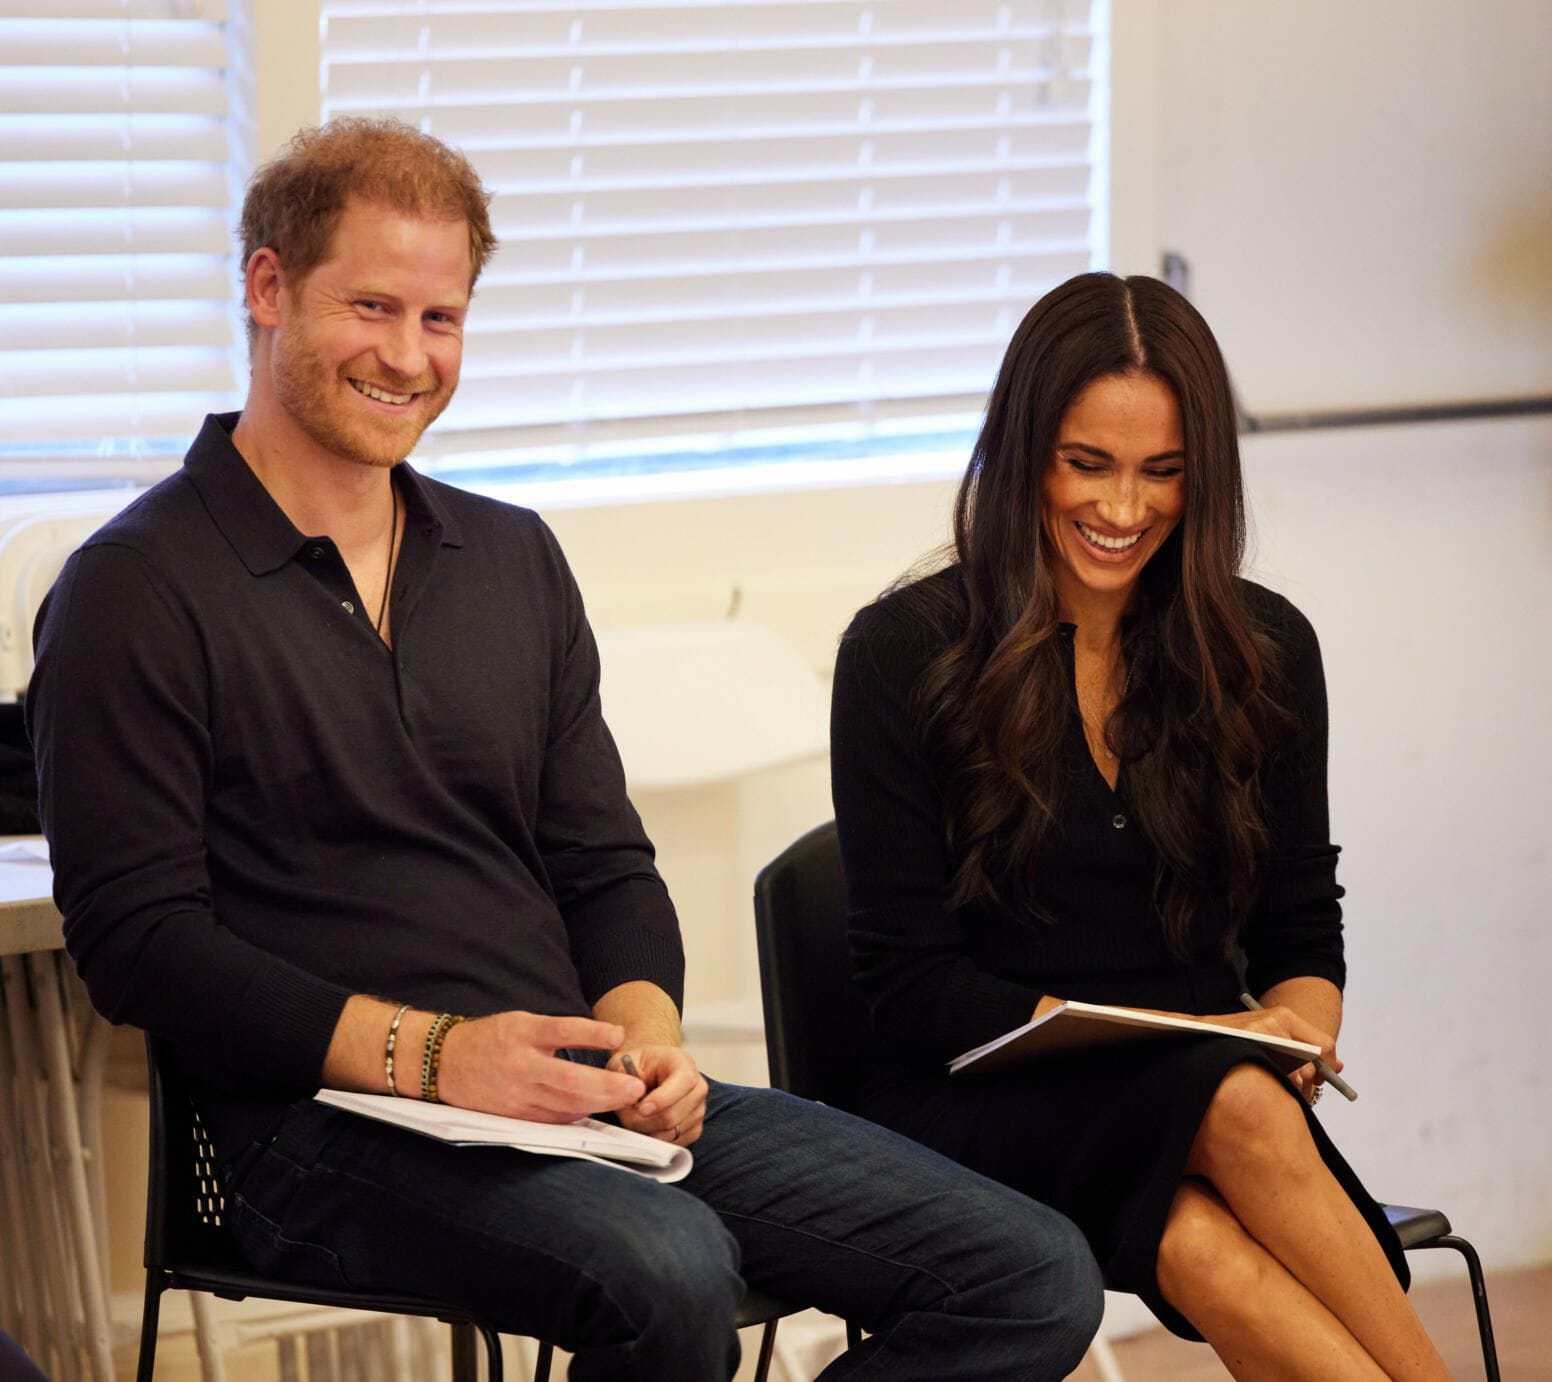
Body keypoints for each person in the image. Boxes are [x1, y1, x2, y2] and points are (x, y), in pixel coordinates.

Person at [26, 119, 1103, 1381]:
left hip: (572, 1101)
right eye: (371, 306)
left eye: (442, 319)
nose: (408, 356)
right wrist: (439, 1053)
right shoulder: (133, 588)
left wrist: (644, 1031)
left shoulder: (511, 557)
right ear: (266, 289)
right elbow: (138, 945)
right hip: (302, 1129)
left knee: (1032, 1273)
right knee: (668, 1266)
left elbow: (602, 862)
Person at [830, 272, 1452, 1378]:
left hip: (1197, 1097)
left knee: (1207, 1234)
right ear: (1022, 450)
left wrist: (1299, 1024)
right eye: (1087, 464)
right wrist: (1159, 1041)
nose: (1123, 510)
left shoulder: (1263, 651)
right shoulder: (901, 652)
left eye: (1162, 473)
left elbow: (1300, 928)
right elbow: (908, 986)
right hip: (964, 1096)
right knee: (1236, 1110)